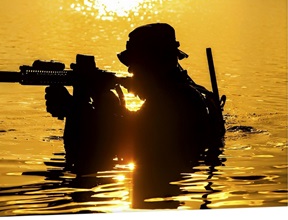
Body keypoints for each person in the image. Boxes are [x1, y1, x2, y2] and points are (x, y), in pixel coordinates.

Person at [45, 23, 225, 208]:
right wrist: (102, 100)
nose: (130, 71)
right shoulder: (182, 93)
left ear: (153, 65)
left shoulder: (173, 100)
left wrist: (73, 108)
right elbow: (135, 126)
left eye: (135, 65)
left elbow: (122, 138)